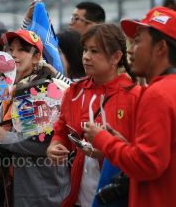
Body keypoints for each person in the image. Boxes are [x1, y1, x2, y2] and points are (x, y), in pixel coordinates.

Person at [83, 6, 176, 207]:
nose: (131, 49)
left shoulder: (157, 94)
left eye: (138, 41)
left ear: (160, 48)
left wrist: (103, 140)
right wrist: (125, 145)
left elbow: (147, 164)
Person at [47, 24, 140, 207]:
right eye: (85, 50)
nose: (86, 57)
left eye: (94, 51)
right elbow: (62, 130)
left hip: (119, 194)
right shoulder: (74, 92)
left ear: (116, 57)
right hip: (79, 196)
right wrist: (55, 145)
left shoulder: (135, 95)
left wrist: (106, 151)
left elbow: (141, 152)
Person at [0, 29, 71, 207]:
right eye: (10, 49)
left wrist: (4, 137)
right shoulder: (17, 88)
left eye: (22, 50)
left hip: (42, 191)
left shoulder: (41, 91)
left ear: (36, 57)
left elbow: (43, 145)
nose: (14, 55)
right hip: (23, 186)